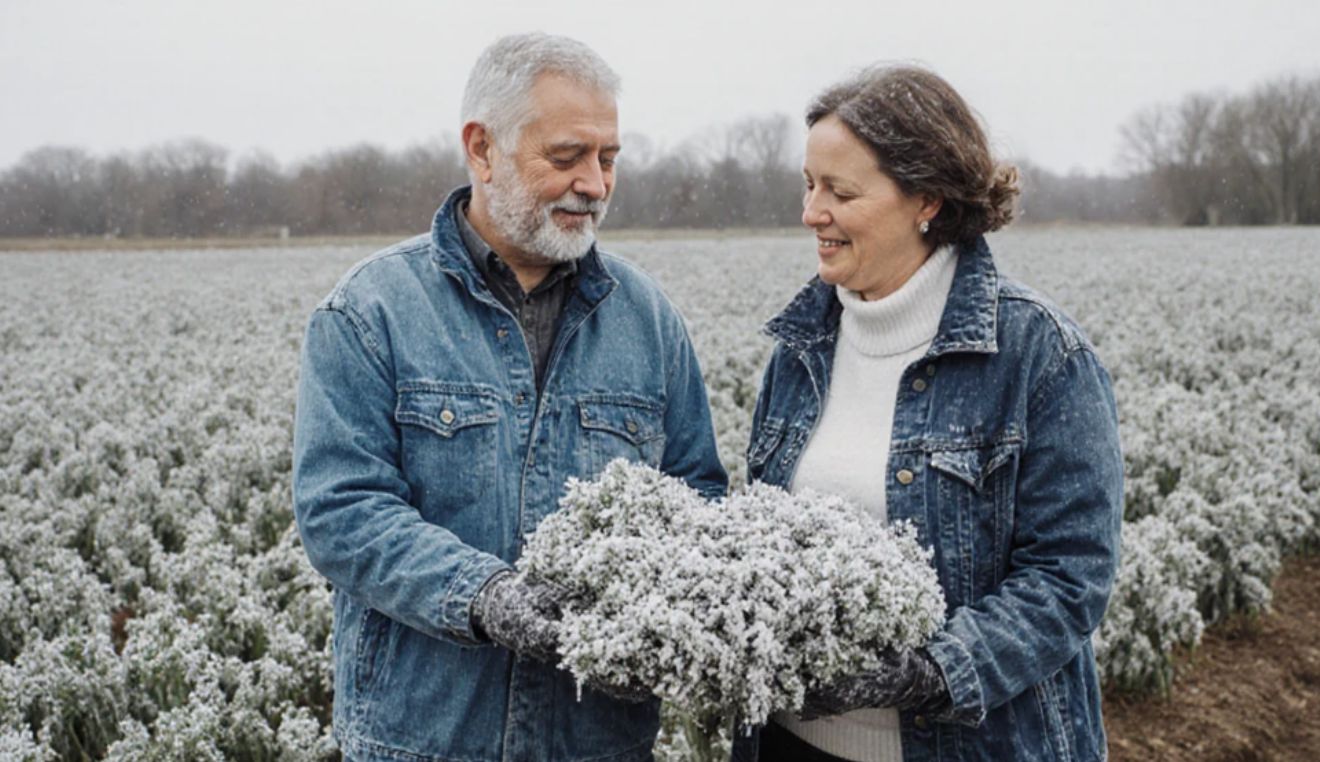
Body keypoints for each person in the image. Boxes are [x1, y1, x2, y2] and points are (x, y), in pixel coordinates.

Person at [292, 33, 727, 762]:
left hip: (598, 742)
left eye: (608, 159)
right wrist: (484, 596)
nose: (594, 183)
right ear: (482, 149)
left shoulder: (649, 321)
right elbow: (342, 513)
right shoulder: (370, 312)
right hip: (421, 739)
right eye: (566, 157)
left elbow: (698, 493)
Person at [734, 65, 1123, 761]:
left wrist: (931, 673)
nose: (811, 211)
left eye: (840, 191)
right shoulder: (800, 348)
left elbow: (1069, 579)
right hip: (790, 744)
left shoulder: (1040, 355)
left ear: (927, 200)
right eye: (809, 183)